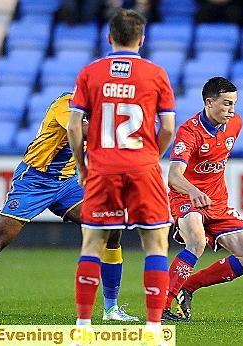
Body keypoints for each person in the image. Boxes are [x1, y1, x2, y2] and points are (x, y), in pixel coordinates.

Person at [0, 92, 138, 322]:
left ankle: (111, 309)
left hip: (67, 183)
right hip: (33, 181)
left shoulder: (100, 112)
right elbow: (78, 130)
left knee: (111, 225)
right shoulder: (66, 104)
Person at [67, 8, 175, 330]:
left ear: (109, 37)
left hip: (102, 167)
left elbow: (74, 126)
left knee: (92, 244)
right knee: (155, 244)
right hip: (143, 166)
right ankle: (154, 329)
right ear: (142, 39)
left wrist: (81, 165)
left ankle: (83, 327)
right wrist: (151, 156)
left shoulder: (90, 72)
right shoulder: (156, 74)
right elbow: (168, 126)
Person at [161, 77, 243, 322]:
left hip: (217, 202)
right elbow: (174, 177)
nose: (232, 110)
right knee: (196, 242)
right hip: (186, 198)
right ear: (209, 102)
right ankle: (162, 306)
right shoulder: (189, 132)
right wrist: (194, 191)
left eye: (234, 104)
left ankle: (188, 287)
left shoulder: (235, 124)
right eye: (226, 104)